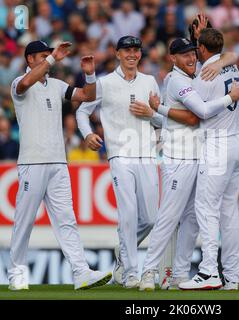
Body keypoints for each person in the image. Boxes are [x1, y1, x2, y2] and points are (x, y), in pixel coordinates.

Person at [135, 37, 239, 291]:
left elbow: (228, 56)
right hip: (179, 157)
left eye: (193, 53)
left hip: (201, 155)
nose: (191, 58)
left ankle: (180, 274)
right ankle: (148, 271)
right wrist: (229, 97)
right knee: (168, 217)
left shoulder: (196, 77)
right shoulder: (176, 80)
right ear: (173, 58)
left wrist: (157, 111)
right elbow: (196, 116)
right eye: (184, 55)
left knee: (193, 220)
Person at [8, 40, 112, 290]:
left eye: (49, 56)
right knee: (25, 220)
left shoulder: (55, 85)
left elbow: (86, 95)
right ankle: (17, 273)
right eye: (42, 56)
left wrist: (89, 74)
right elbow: (25, 84)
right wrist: (53, 58)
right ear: (30, 59)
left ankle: (81, 272)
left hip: (58, 162)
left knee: (66, 219)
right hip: (32, 162)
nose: (48, 60)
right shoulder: (19, 83)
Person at [76, 36, 162, 289]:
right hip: (120, 155)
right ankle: (131, 273)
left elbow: (161, 120)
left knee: (151, 218)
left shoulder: (150, 81)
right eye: (127, 51)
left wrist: (153, 113)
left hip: (147, 154)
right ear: (117, 53)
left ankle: (123, 252)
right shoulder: (104, 83)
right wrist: (88, 134)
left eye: (136, 50)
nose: (132, 55)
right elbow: (82, 111)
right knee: (127, 214)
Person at [177, 27, 239, 291]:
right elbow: (233, 55)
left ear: (202, 49)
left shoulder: (206, 74)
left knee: (205, 208)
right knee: (228, 212)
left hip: (219, 144)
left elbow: (201, 113)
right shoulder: (231, 67)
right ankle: (232, 277)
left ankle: (208, 272)